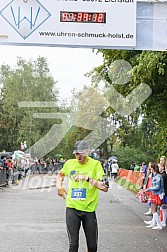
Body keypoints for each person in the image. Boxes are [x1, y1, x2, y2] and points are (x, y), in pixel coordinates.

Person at [57, 140, 108, 252]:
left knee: (92, 247)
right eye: (76, 153)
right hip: (72, 208)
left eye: (81, 153)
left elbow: (104, 188)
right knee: (73, 245)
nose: (78, 156)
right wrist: (59, 186)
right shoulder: (70, 163)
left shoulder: (95, 165)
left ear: (87, 152)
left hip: (89, 209)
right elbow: (60, 174)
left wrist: (87, 178)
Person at [143, 163, 164, 230]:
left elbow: (157, 187)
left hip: (156, 194)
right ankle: (154, 223)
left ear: (153, 169)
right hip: (155, 194)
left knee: (153, 210)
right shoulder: (157, 176)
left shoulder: (157, 176)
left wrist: (149, 189)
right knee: (153, 210)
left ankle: (159, 224)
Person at [159, 162, 167, 227]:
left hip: (164, 193)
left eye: (160, 167)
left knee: (164, 207)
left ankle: (164, 221)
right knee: (162, 207)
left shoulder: (163, 176)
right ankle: (163, 220)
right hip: (163, 193)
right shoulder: (162, 175)